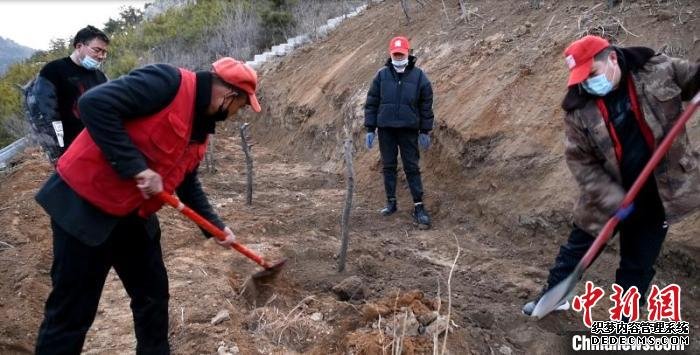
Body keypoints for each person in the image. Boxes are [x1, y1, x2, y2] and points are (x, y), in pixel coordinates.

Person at [33, 57, 262, 354]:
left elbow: (187, 181)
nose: (235, 114)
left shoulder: (201, 127)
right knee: (72, 311)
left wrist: (215, 227)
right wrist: (137, 168)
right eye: (241, 106)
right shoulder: (166, 82)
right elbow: (93, 104)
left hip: (133, 213)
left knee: (153, 297)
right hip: (85, 203)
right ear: (229, 94)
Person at [522, 35, 700, 316]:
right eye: (581, 77)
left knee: (639, 262)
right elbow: (581, 162)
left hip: (660, 191)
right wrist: (612, 198)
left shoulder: (658, 69)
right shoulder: (578, 110)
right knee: (576, 250)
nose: (588, 83)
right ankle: (555, 297)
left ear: (612, 59)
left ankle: (625, 317)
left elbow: (693, 81)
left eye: (592, 74)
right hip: (608, 192)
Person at [364, 36, 435, 227]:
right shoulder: (381, 75)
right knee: (388, 166)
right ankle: (391, 203)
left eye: (401, 54)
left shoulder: (419, 77)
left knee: (411, 167)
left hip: (408, 129)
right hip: (386, 129)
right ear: (390, 54)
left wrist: (425, 130)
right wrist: (370, 128)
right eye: (395, 54)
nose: (398, 57)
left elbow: (426, 104)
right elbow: (372, 102)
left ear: (407, 53)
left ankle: (419, 206)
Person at [28, 25, 110, 163]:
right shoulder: (53, 71)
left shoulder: (100, 77)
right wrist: (59, 153)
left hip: (99, 146)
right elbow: (44, 115)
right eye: (97, 50)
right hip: (70, 150)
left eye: (104, 52)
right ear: (79, 46)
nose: (101, 56)